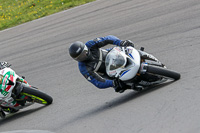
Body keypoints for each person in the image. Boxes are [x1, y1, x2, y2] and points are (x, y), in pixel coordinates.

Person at [69, 35, 135, 93]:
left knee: (128, 46)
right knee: (119, 87)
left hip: (112, 55)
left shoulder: (90, 44)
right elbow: (97, 82)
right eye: (80, 57)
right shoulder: (83, 68)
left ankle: (141, 56)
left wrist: (120, 42)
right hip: (108, 72)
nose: (84, 56)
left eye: (84, 52)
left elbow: (107, 39)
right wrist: (112, 83)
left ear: (85, 48)